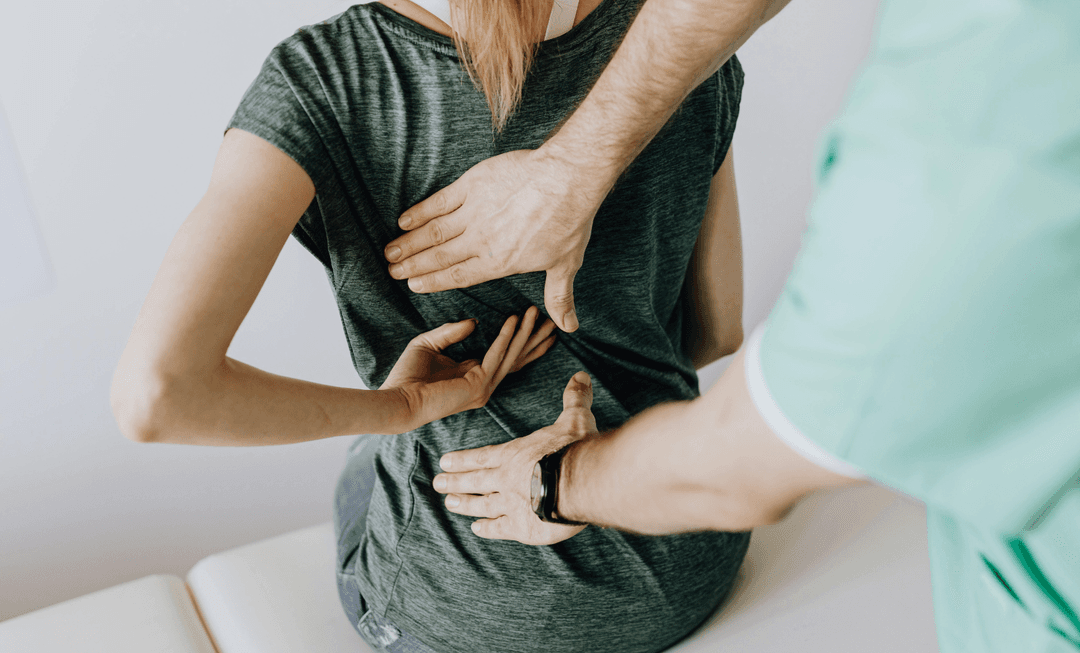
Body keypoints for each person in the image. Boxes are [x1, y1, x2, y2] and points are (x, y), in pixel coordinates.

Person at [417, 0, 1080, 651]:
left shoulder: (976, 139)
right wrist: (579, 167)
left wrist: (553, 481)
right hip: (696, 559)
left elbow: (754, 455)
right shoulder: (699, 74)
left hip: (480, 593)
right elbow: (717, 334)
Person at [110, 0, 754, 651]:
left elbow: (158, 396)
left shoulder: (323, 77)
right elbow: (716, 333)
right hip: (688, 552)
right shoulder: (678, 32)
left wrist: (402, 407)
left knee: (363, 458)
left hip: (478, 613)